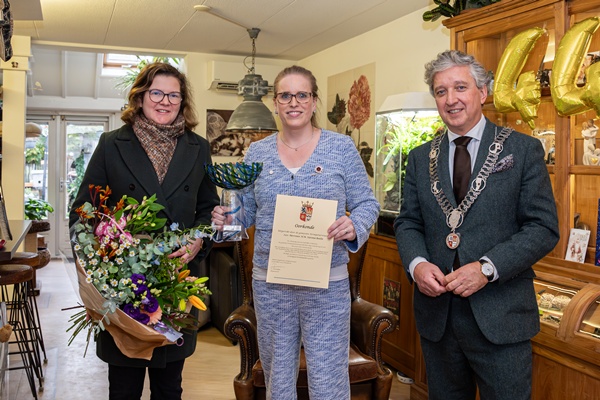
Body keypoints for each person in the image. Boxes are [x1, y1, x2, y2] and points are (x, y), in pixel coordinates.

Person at [394, 50, 559, 400]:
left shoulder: (523, 150)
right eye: (441, 91)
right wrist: (417, 264)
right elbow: (408, 222)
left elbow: (542, 227)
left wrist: (486, 268)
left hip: (501, 316)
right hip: (438, 317)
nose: (450, 99)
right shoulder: (420, 157)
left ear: (482, 92)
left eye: (460, 87)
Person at [211, 65, 379, 399]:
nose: (294, 102)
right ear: (275, 103)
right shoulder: (257, 153)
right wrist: (227, 218)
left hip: (327, 283)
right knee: (277, 376)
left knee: (329, 378)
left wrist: (354, 225)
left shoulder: (341, 148)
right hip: (272, 283)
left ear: (314, 101)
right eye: (285, 95)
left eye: (302, 94)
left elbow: (367, 204)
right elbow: (246, 211)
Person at [69, 62, 219, 400]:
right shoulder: (112, 144)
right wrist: (98, 263)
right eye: (157, 93)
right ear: (139, 97)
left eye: (174, 95)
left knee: (170, 387)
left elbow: (208, 208)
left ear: (182, 102)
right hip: (123, 288)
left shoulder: (198, 148)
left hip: (177, 284)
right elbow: (84, 211)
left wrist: (199, 240)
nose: (165, 101)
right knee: (124, 388)